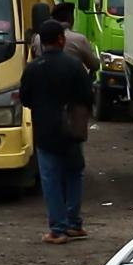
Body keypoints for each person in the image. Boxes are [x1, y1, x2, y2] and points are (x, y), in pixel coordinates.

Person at [19, 16, 93, 243]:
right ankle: (74, 223)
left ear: (42, 43)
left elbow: (25, 99)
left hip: (45, 132)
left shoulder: (33, 69)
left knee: (50, 179)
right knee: (73, 175)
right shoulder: (74, 66)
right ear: (61, 40)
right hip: (72, 131)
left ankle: (57, 229)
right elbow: (88, 97)